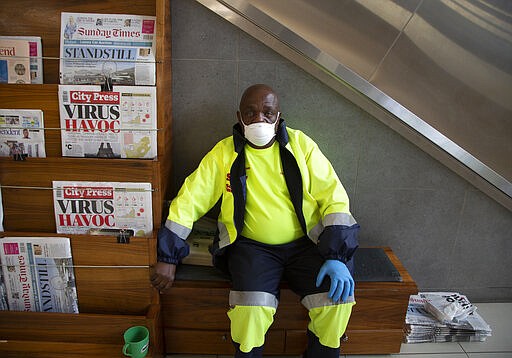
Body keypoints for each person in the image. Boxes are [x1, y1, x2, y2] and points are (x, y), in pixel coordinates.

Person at [151, 84, 360, 357]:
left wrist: (337, 256)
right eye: (251, 113)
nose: (259, 120)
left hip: (306, 245)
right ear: (240, 117)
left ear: (278, 116)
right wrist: (168, 257)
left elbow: (334, 198)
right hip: (252, 248)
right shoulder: (225, 154)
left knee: (336, 301)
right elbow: (190, 200)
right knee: (249, 311)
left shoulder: (302, 147)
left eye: (267, 113)